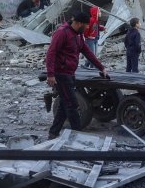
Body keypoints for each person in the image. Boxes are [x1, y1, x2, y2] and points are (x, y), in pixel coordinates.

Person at [45, 10, 109, 138]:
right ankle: (78, 135)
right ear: (79, 23)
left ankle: (53, 133)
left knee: (64, 104)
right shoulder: (62, 33)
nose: (87, 27)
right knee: (72, 104)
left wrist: (101, 67)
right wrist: (50, 74)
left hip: (70, 73)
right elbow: (51, 53)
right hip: (61, 74)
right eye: (86, 25)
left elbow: (86, 51)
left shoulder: (78, 35)